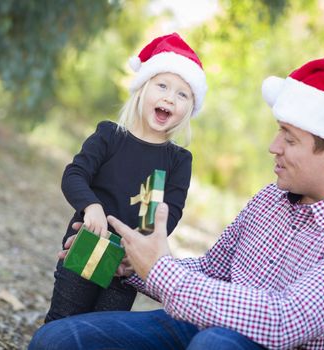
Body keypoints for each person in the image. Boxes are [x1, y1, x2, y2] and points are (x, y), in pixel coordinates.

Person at [31, 55, 324, 349]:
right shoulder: (273, 198)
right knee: (59, 341)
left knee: (215, 344)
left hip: (253, 342)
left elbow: (285, 320)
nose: (273, 148)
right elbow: (212, 270)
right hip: (207, 328)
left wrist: (161, 271)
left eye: (289, 139)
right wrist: (131, 265)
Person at [43, 32, 208, 322]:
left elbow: (170, 213)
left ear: (189, 109)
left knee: (100, 333)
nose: (170, 97)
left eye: (182, 94)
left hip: (126, 264)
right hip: (87, 242)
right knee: (63, 320)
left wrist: (143, 250)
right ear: (142, 89)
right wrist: (91, 206)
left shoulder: (179, 161)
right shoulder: (110, 136)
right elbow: (75, 174)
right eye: (162, 85)